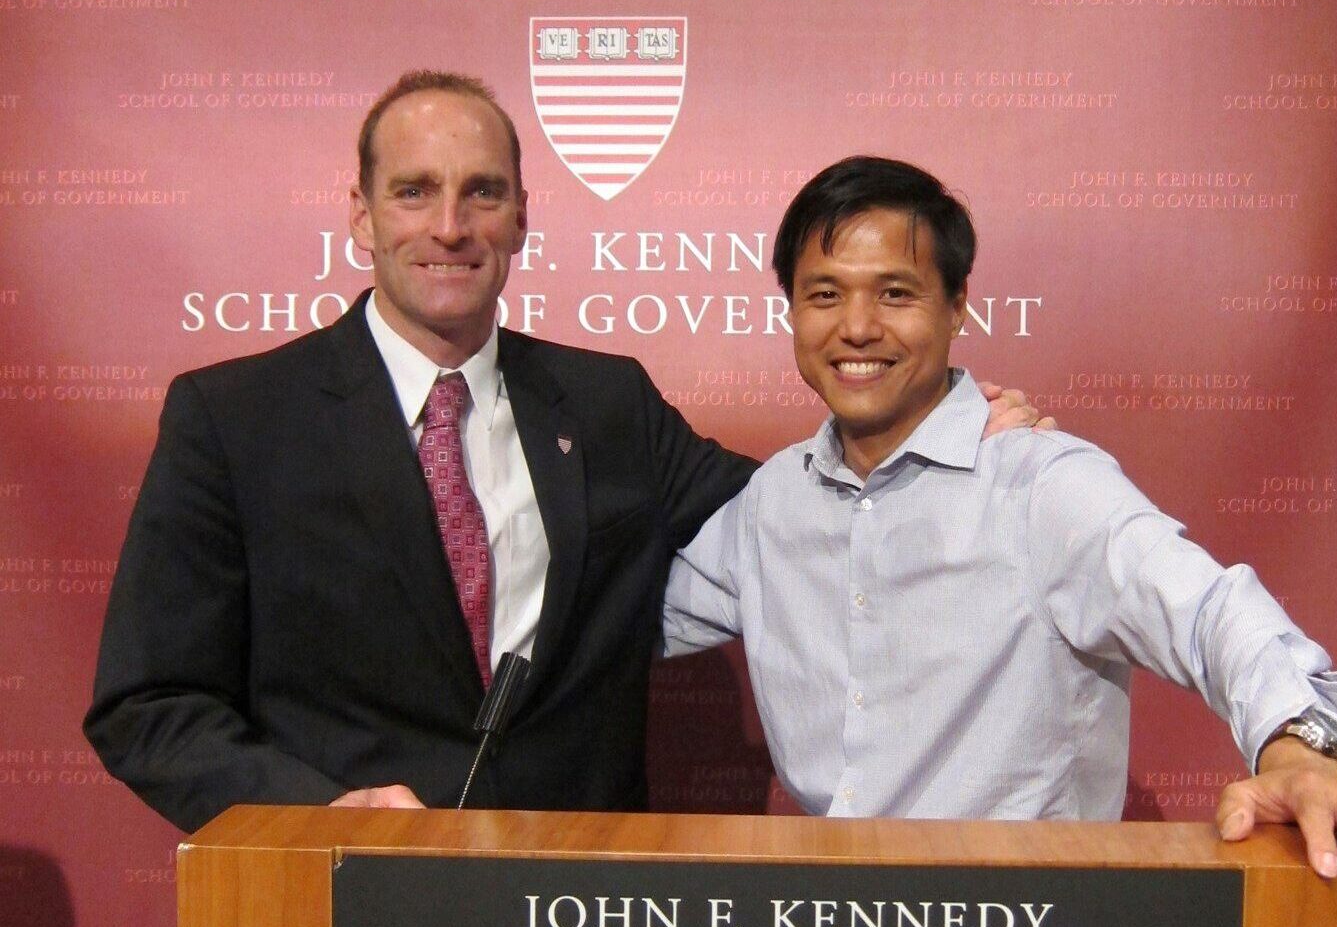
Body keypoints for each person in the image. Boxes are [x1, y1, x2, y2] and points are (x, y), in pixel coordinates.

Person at [85, 73, 1037, 832]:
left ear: (522, 219)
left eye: (482, 193)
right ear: (363, 215)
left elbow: (806, 516)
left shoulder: (605, 401)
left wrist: (952, 426)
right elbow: (150, 705)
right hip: (335, 908)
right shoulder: (234, 417)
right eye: (413, 192)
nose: (450, 226)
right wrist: (321, 813)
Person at [662, 156, 1337, 899]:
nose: (857, 327)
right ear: (791, 310)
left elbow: (1211, 614)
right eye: (825, 294)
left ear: (957, 305)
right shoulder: (771, 504)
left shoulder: (1042, 486)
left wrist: (1302, 754)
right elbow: (606, 617)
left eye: (896, 293)